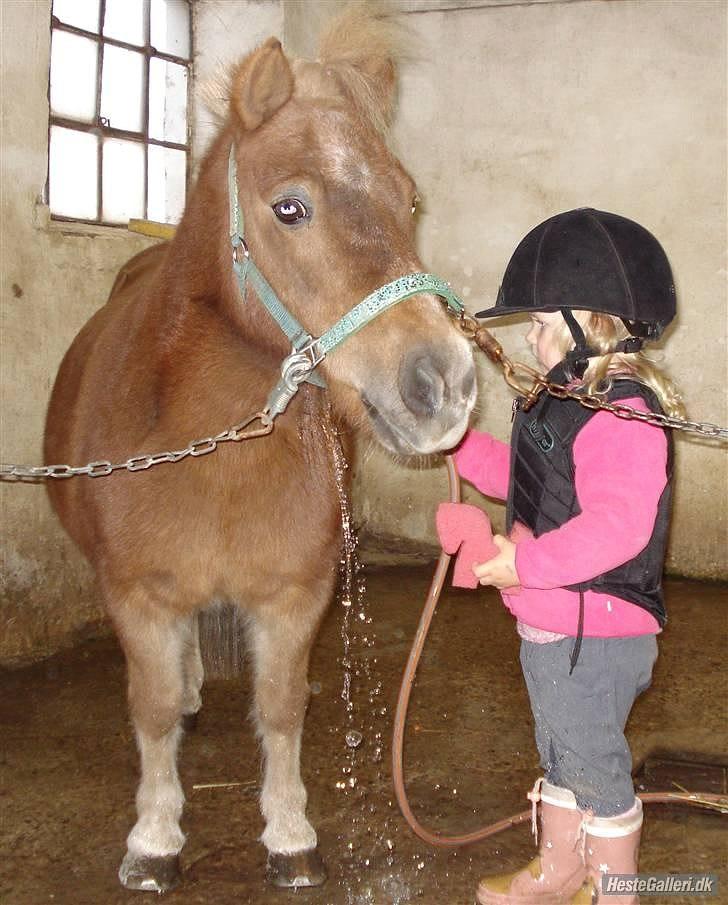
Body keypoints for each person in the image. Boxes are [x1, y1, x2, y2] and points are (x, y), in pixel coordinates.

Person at [454, 208, 684, 905]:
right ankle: (561, 870)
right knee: (564, 755)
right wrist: (454, 445)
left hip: (596, 633)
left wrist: (524, 565)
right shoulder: (566, 403)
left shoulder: (624, 415)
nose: (529, 335)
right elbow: (527, 483)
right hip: (559, 628)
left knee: (596, 768)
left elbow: (616, 528)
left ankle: (615, 888)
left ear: (591, 324)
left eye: (541, 322)